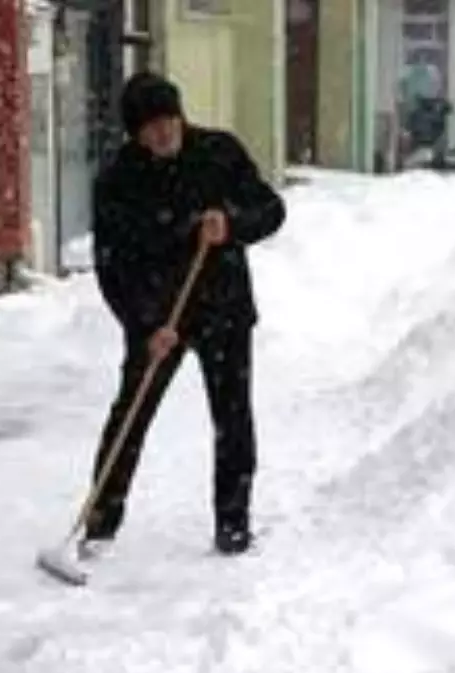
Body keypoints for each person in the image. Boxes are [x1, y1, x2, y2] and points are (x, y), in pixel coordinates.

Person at [82, 72, 286, 560]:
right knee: (130, 416)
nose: (164, 132)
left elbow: (271, 209)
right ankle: (100, 522)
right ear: (134, 133)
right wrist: (146, 326)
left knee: (232, 418)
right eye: (151, 127)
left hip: (223, 309)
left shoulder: (218, 153)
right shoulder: (118, 180)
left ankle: (233, 524)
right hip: (159, 319)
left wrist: (231, 223)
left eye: (169, 119)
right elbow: (112, 264)